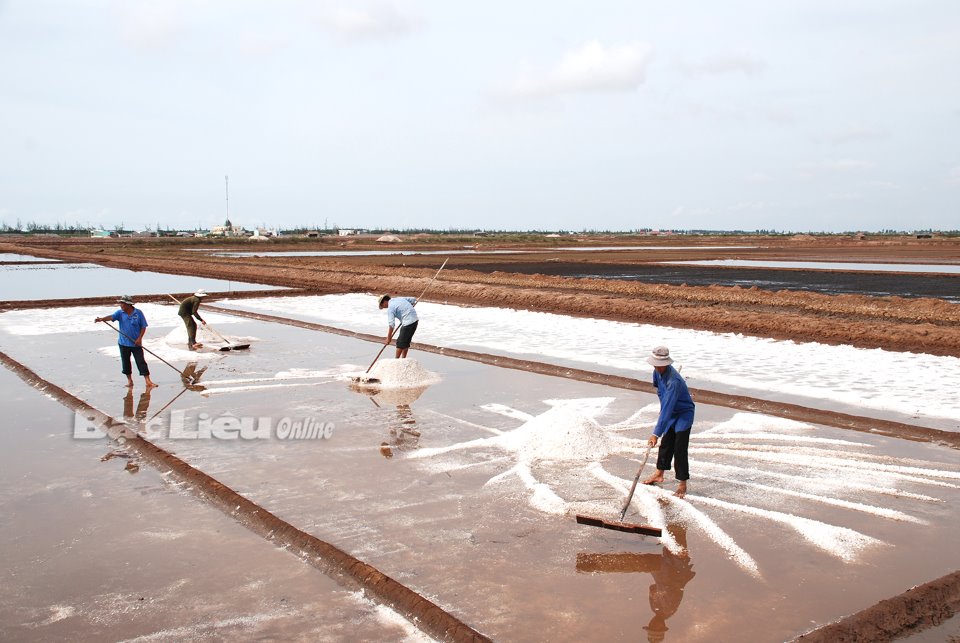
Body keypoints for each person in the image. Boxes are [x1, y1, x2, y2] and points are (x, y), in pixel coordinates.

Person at [643, 346, 694, 498]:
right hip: (670, 411)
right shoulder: (657, 372)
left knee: (679, 448)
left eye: (659, 365)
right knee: (666, 444)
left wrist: (655, 433)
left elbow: (668, 409)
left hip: (683, 413)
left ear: (666, 363)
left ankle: (682, 484)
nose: (657, 367)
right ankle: (659, 474)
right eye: (655, 365)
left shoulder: (674, 382)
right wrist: (662, 404)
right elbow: (659, 389)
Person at [95, 296, 158, 388]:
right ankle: (129, 381)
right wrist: (102, 319)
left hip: (136, 343)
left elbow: (143, 327)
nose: (121, 305)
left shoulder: (138, 313)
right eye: (120, 303)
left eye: (122, 303)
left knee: (141, 362)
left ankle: (148, 381)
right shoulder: (120, 313)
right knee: (126, 362)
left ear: (128, 304)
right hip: (123, 343)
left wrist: (139, 338)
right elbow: (111, 317)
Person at [377, 294, 418, 359]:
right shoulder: (399, 298)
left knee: (400, 343)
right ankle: (403, 359)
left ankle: (396, 360)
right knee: (406, 342)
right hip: (415, 321)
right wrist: (410, 305)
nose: (384, 307)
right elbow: (413, 299)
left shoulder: (390, 308)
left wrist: (389, 338)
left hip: (408, 322)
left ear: (384, 301)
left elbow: (391, 324)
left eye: (382, 305)